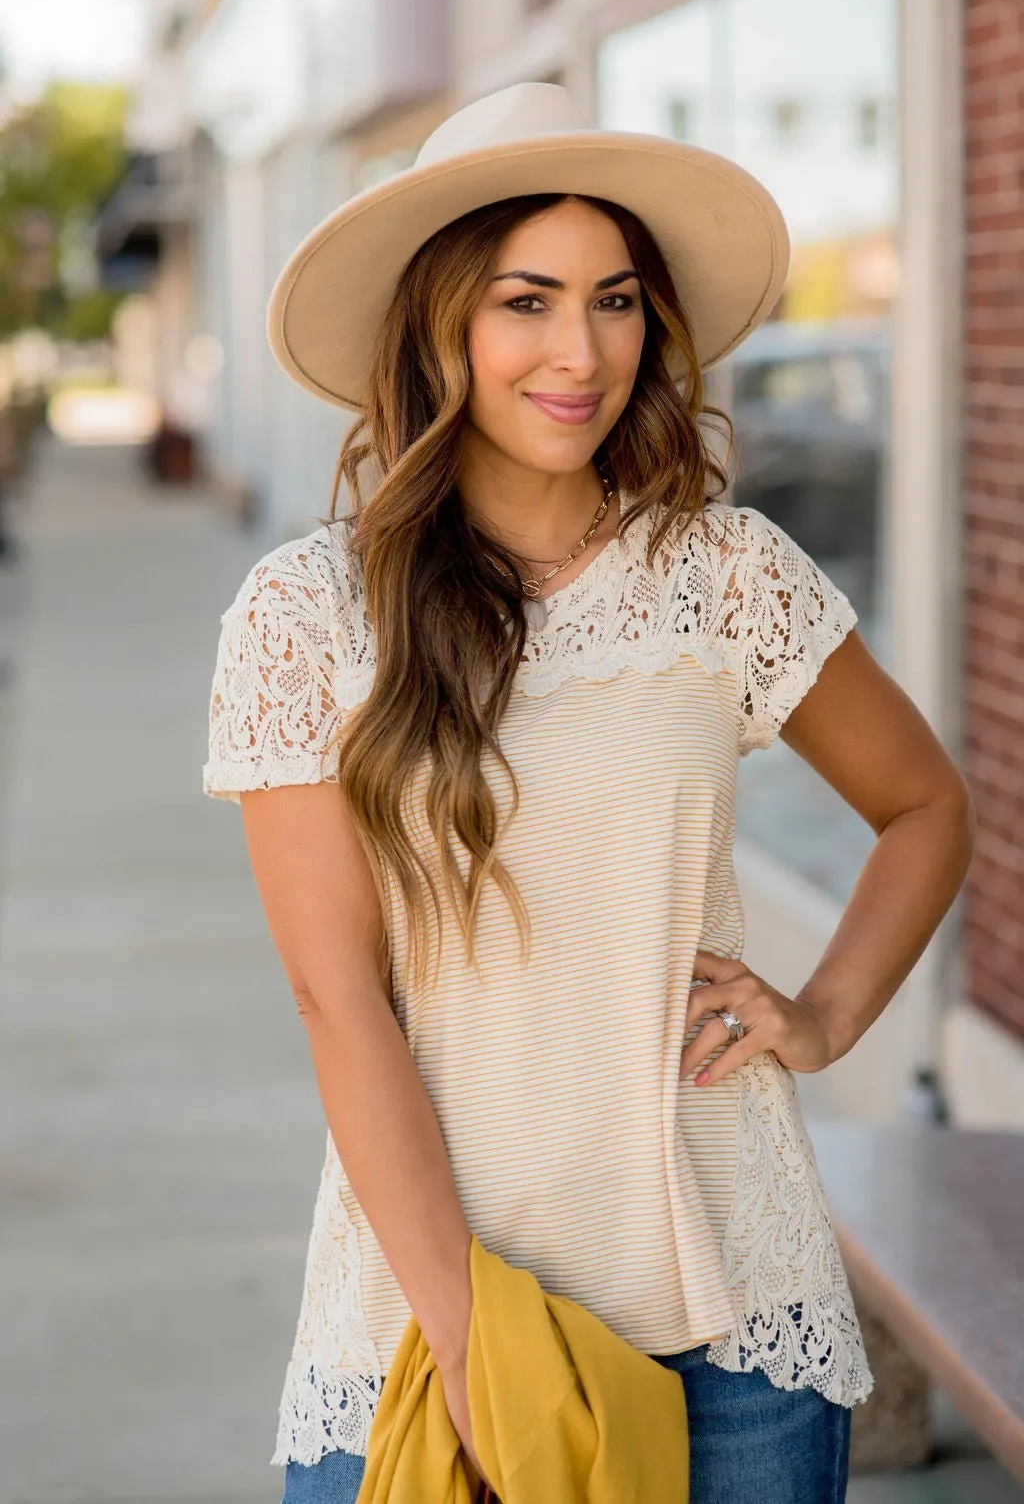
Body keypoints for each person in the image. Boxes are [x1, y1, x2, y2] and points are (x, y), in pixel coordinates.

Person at [202, 84, 976, 1504]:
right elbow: (338, 999)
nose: (581, 350)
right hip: (425, 1328)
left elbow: (927, 804)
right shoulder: (306, 615)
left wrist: (827, 1009)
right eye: (527, 300)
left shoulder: (722, 574)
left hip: (735, 1324)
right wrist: (475, 1341)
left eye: (616, 300)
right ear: (442, 326)